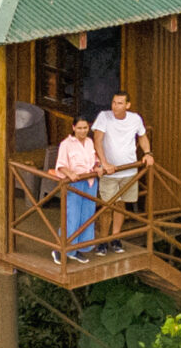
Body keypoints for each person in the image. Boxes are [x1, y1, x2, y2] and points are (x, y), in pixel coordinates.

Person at [91, 92, 152, 250]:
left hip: (129, 171)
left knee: (121, 206)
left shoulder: (135, 119)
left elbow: (143, 136)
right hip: (110, 172)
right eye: (113, 102)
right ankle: (103, 241)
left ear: (127, 105)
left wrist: (147, 153)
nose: (115, 106)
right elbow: (97, 140)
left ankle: (115, 238)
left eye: (119, 103)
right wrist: (104, 163)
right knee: (107, 207)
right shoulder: (104, 117)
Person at [49, 117, 103, 263]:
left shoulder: (90, 142)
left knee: (87, 215)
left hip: (90, 182)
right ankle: (61, 249)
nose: (82, 131)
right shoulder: (66, 144)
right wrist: (69, 173)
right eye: (79, 128)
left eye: (85, 128)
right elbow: (60, 164)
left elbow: (94, 160)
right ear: (73, 128)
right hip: (74, 183)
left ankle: (78, 248)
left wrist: (98, 167)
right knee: (72, 216)